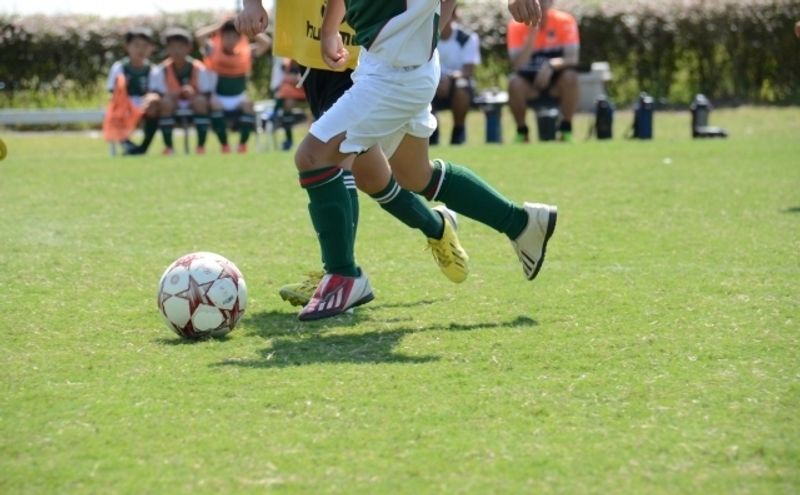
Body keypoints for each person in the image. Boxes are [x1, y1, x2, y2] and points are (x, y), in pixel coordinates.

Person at [239, 0, 557, 322]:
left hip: (396, 76)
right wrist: (331, 30)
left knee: (314, 157)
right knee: (413, 174)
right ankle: (521, 223)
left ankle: (343, 276)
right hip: (388, 66)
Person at [507, 0, 580, 142]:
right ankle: (522, 132)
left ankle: (566, 130)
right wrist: (532, 35)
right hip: (529, 84)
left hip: (556, 82)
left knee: (571, 77)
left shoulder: (565, 21)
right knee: (514, 83)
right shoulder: (515, 25)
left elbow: (572, 58)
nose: (540, 4)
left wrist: (550, 65)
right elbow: (516, 65)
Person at [197, 19, 271, 153]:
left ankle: (242, 145)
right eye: (227, 36)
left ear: (239, 38)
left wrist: (248, 27)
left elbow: (266, 43)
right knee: (214, 104)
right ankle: (224, 145)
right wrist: (218, 25)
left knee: (249, 105)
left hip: (238, 97)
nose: (231, 40)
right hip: (218, 97)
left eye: (235, 36)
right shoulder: (212, 50)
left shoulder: (247, 52)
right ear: (221, 36)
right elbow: (199, 36)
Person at [149, 27, 212, 155]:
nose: (176, 51)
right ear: (167, 49)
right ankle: (169, 147)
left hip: (193, 101)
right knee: (165, 103)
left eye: (180, 46)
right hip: (172, 101)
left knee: (201, 101)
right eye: (172, 47)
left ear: (188, 48)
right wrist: (176, 93)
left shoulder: (198, 67)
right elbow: (158, 92)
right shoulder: (161, 69)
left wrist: (193, 93)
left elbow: (206, 92)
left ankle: (201, 146)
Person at [105, 27, 161, 155]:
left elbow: (154, 92)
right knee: (116, 107)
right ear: (127, 47)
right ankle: (127, 144)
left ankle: (143, 148)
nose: (140, 49)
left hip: (143, 104)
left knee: (154, 104)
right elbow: (113, 91)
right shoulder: (119, 67)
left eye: (144, 46)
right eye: (136, 45)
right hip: (123, 103)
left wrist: (147, 101)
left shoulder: (152, 69)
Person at [431, 7, 481, 146]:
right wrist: (439, 80)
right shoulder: (428, 36)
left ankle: (458, 132)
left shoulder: (467, 38)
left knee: (462, 86)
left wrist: (449, 78)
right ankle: (432, 133)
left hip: (457, 83)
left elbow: (468, 70)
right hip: (433, 81)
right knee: (423, 86)